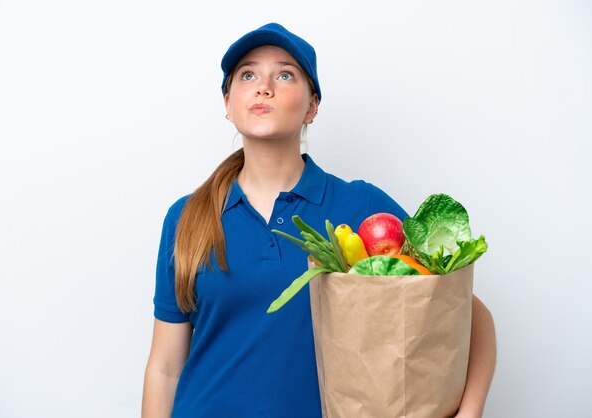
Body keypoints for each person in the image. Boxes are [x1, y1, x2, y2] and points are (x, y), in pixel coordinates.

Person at [141, 23, 496, 418]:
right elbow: (165, 368)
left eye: (285, 74)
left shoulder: (361, 207)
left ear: (312, 105)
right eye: (247, 74)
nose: (264, 87)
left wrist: (470, 410)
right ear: (228, 103)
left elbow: (464, 309)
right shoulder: (186, 217)